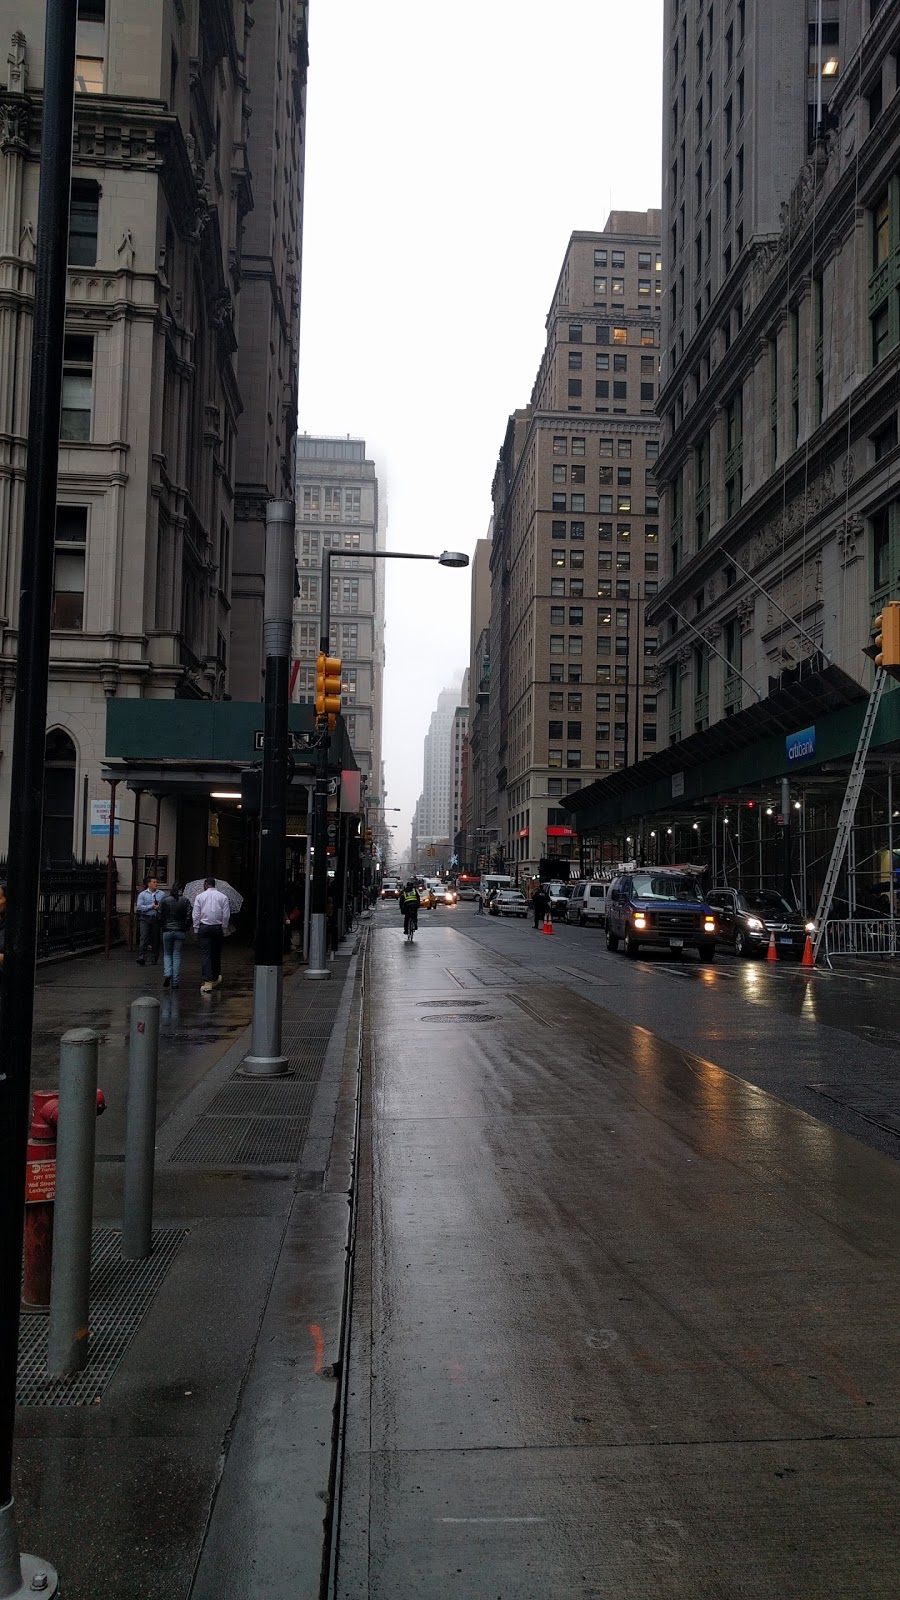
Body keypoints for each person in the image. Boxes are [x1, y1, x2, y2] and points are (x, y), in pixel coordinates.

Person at [192, 876, 231, 994]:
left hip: (204, 927)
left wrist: (196, 928)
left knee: (206, 954)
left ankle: (207, 981)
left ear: (205, 884)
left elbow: (196, 914)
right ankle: (215, 976)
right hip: (218, 927)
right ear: (214, 885)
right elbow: (226, 915)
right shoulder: (223, 897)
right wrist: (224, 928)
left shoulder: (199, 897)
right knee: (216, 953)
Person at [159, 882, 191, 989]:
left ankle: (168, 973)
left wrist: (162, 925)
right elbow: (188, 916)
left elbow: (160, 915)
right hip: (180, 931)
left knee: (167, 954)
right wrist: (186, 927)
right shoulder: (185, 901)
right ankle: (175, 982)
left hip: (167, 930)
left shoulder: (165, 900)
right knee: (176, 955)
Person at [135, 875, 163, 965]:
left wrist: (159, 907)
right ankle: (142, 957)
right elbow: (139, 907)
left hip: (155, 918)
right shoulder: (143, 894)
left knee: (155, 938)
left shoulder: (161, 894)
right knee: (144, 937)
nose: (156, 884)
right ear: (148, 884)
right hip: (145, 918)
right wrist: (150, 906)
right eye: (154, 882)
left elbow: (164, 905)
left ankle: (154, 957)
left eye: (156, 882)